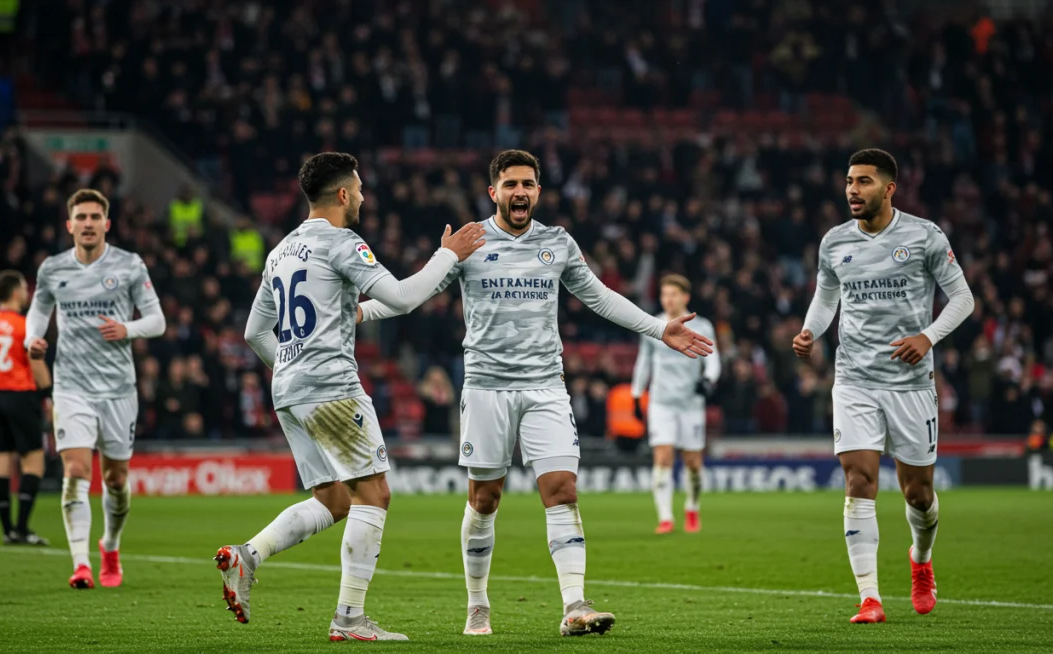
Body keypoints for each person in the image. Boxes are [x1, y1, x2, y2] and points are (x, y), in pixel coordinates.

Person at [358, 150, 714, 637]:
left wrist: (657, 329)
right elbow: (411, 293)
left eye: (528, 184)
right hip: (486, 388)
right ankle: (478, 603)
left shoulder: (557, 243)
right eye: (510, 185)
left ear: (539, 192)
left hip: (546, 386)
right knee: (485, 498)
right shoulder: (470, 243)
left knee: (563, 490)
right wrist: (359, 313)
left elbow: (600, 296)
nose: (519, 192)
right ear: (494, 193)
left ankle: (574, 605)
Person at [214, 152, 485, 642]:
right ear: (343, 194)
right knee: (374, 494)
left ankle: (246, 556)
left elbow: (256, 332)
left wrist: (295, 365)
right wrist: (448, 255)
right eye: (358, 189)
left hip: (288, 392)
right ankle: (349, 618)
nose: (361, 196)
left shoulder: (280, 252)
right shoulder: (342, 242)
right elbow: (403, 296)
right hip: (331, 387)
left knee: (334, 499)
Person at [792, 149, 974, 623]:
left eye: (864, 182)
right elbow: (826, 296)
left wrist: (927, 336)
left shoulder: (924, 236)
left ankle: (921, 560)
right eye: (850, 181)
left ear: (889, 188)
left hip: (911, 384)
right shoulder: (834, 242)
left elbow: (963, 298)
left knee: (918, 494)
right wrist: (811, 330)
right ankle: (870, 598)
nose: (853, 190)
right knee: (859, 481)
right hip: (854, 379)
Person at [25, 188, 167, 589]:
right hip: (71, 386)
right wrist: (31, 341)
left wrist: (128, 329)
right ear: (69, 225)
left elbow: (157, 321)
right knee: (74, 470)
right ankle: (80, 563)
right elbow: (37, 312)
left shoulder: (128, 265)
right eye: (80, 217)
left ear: (107, 224)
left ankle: (111, 545)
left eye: (94, 217)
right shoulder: (52, 269)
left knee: (117, 480)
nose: (87, 224)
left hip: (119, 389)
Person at [630, 274, 721, 535]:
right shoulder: (653, 325)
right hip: (661, 403)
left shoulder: (702, 326)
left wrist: (708, 380)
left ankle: (692, 508)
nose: (668, 299)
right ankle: (666, 517)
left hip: (691, 403)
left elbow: (713, 359)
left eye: (673, 294)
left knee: (693, 462)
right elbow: (643, 362)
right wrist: (637, 396)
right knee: (662, 457)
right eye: (664, 295)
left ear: (685, 298)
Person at [0, 271, 53, 546]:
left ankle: (7, 530)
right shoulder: (24, 326)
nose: (27, 293)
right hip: (20, 397)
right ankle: (22, 528)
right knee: (33, 462)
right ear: (15, 293)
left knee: (1, 464)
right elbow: (36, 365)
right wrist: (49, 394)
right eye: (24, 288)